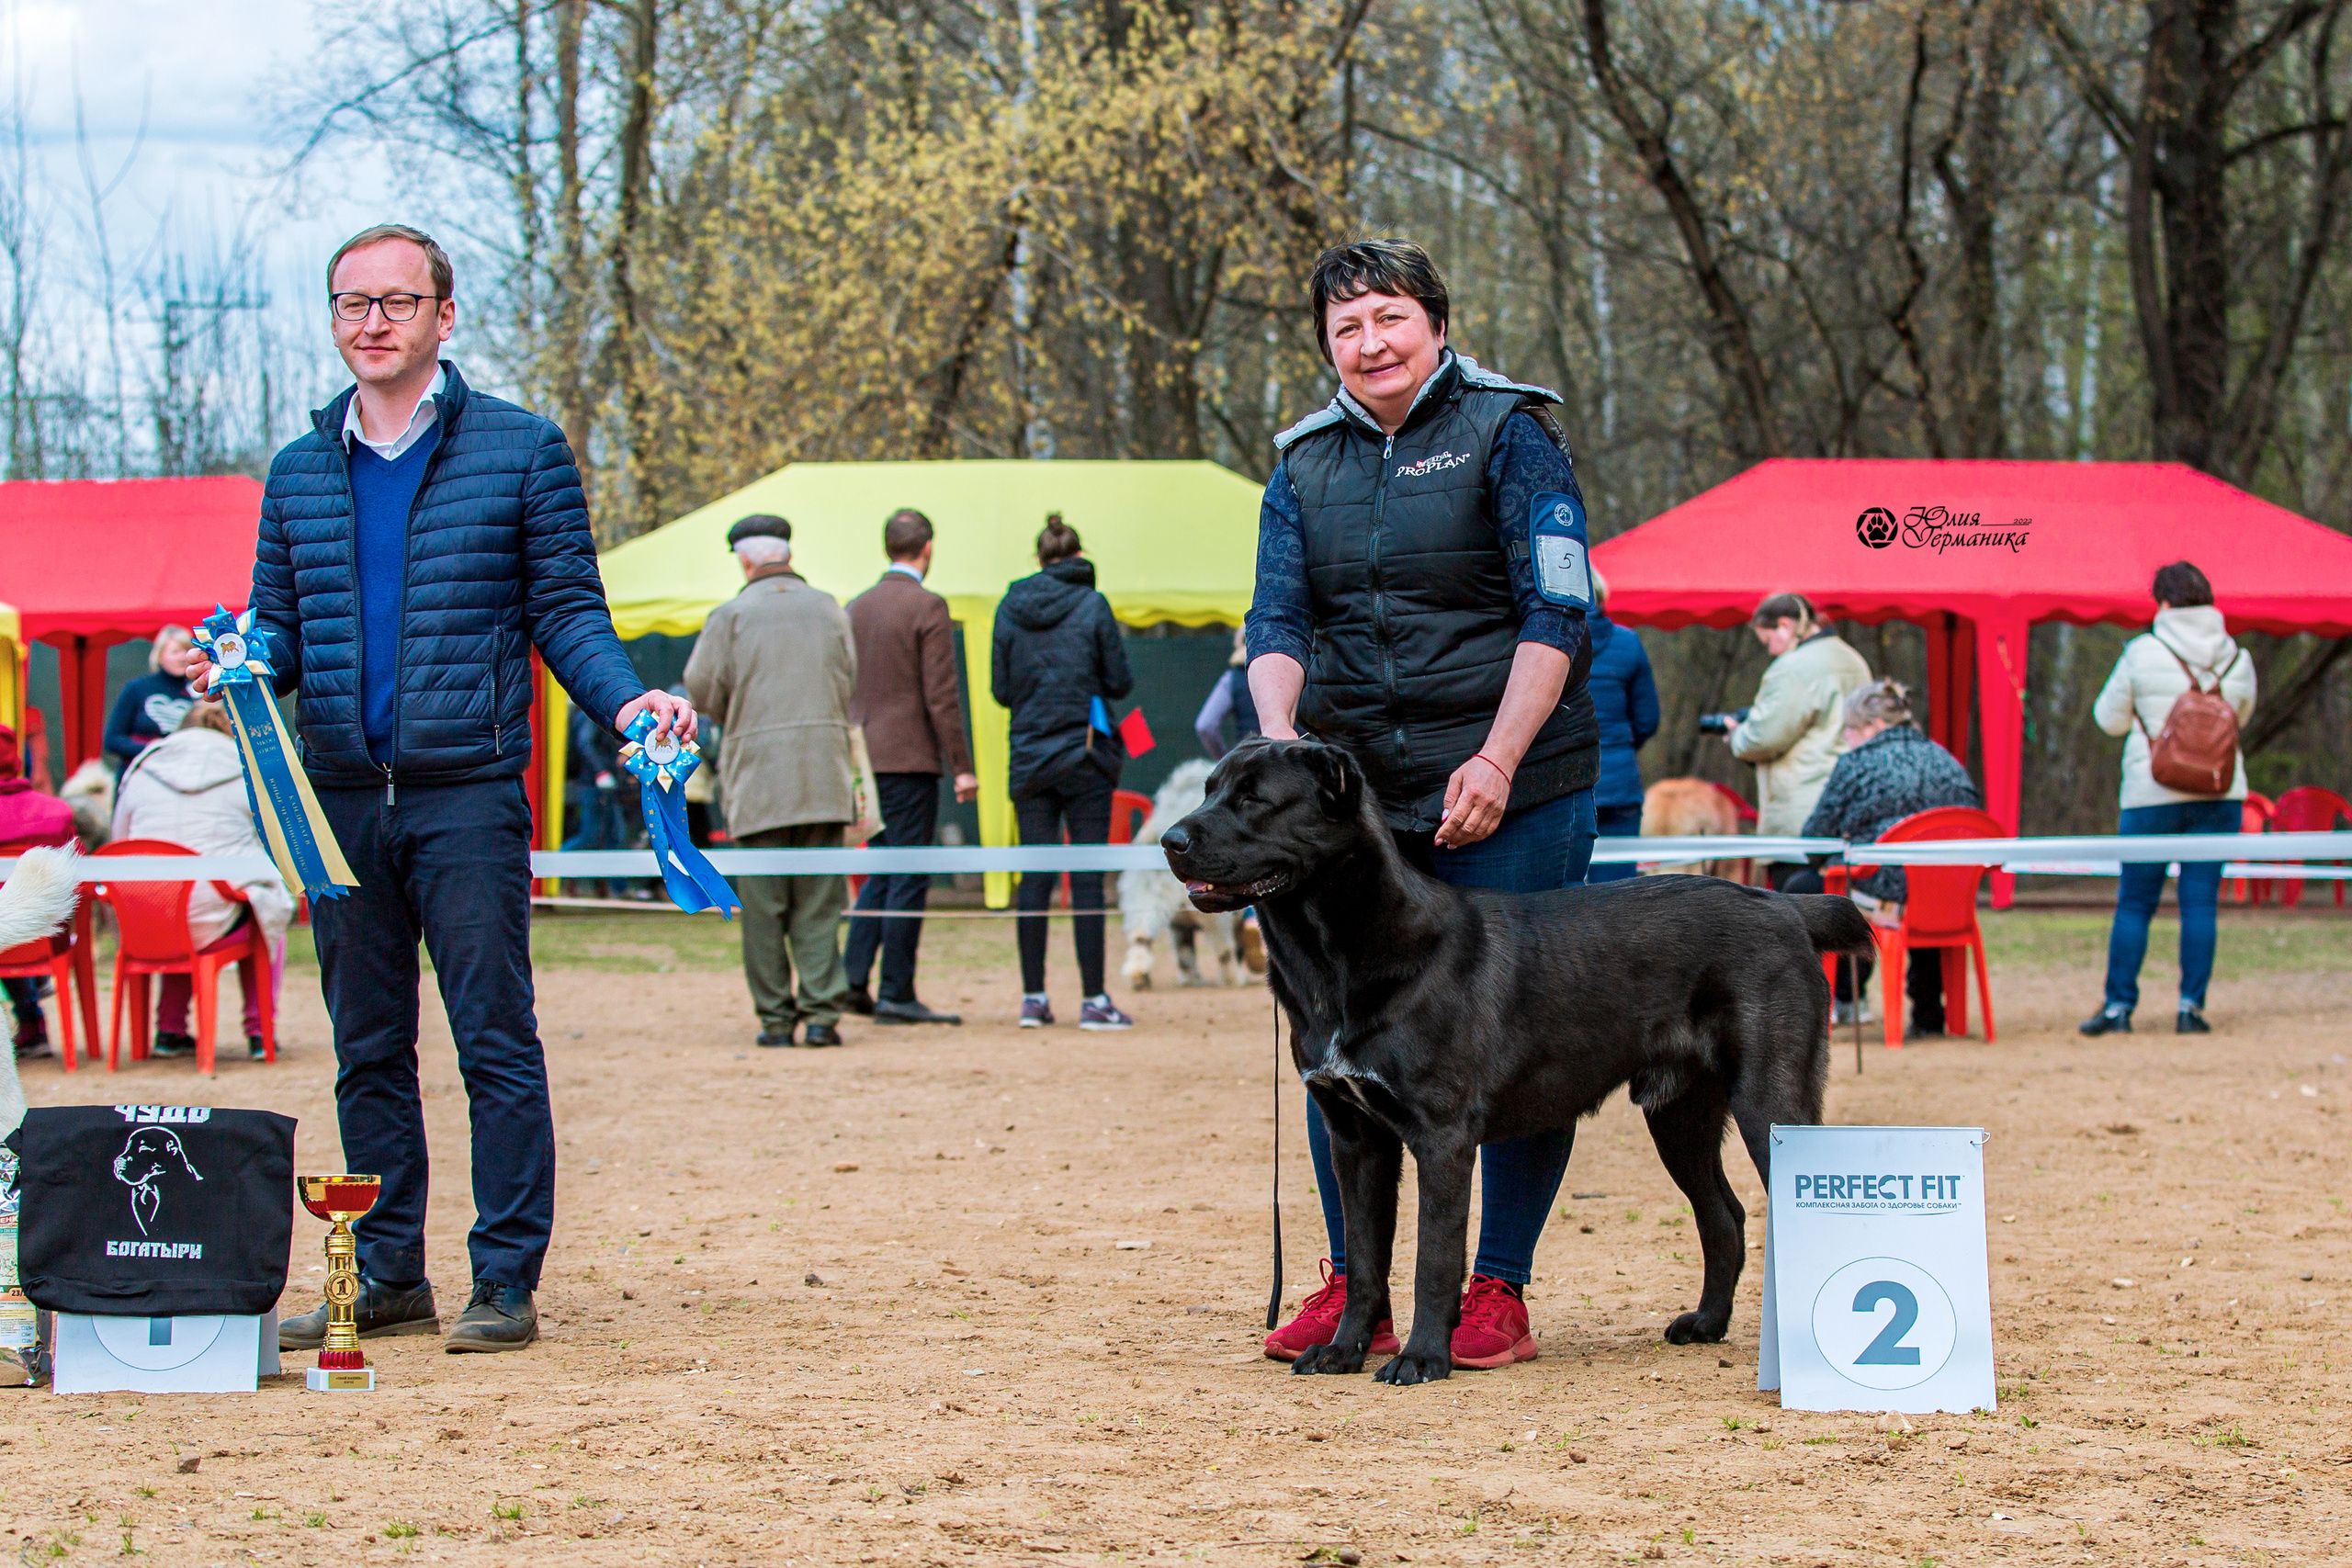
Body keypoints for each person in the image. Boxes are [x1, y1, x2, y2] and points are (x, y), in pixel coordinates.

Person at [188, 222, 692, 1357]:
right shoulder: (296, 470)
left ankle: (503, 1278)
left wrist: (625, 704)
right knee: (367, 1047)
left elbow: (566, 609)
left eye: (396, 303)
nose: (372, 323)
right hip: (336, 802)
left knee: (492, 1040)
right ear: (334, 320)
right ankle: (384, 1272)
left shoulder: (522, 450)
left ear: (443, 318)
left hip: (466, 795)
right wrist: (235, 661)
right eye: (351, 304)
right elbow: (277, 621)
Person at [1246, 239, 1600, 1371]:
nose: (1370, 344)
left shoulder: (1513, 434)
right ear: (1326, 350)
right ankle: (1359, 1282)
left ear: (1436, 325)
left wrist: (1496, 758)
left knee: (1516, 1040)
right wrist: (1280, 740)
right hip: (1360, 806)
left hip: (1517, 779)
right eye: (1345, 329)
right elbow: (1278, 624)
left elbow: (1558, 611)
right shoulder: (1301, 465)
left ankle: (1496, 1285)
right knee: (1334, 1039)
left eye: (1388, 319)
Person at [684, 514, 859, 1048]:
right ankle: (824, 1015)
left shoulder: (730, 615)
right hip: (825, 778)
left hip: (758, 783)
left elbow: (702, 690)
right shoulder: (831, 608)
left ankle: (777, 1020)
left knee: (763, 909)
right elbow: (848, 679)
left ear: (744, 559)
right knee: (820, 904)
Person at [2081, 560, 2257, 1037]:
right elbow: (2242, 715)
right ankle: (2190, 1008)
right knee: (2201, 905)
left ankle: (2119, 1008)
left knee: (2135, 903)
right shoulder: (2238, 657)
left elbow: (2109, 720)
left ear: (2162, 602)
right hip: (2221, 794)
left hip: (2150, 793)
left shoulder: (2142, 652)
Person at [991, 514, 1135, 1031]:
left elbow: (1001, 691)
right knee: (1087, 877)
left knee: (1035, 876)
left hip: (1030, 758)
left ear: (1039, 558)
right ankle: (1094, 1000)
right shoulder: (1092, 604)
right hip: (1085, 756)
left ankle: (1033, 998)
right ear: (1078, 556)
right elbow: (1119, 681)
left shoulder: (1009, 606)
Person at [842, 508, 978, 1025]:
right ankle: (896, 991)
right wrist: (961, 766)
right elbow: (940, 695)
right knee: (907, 871)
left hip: (863, 757)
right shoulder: (928, 606)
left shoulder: (855, 607)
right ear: (927, 549)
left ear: (887, 548)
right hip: (910, 760)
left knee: (880, 865)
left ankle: (851, 979)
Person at [1791, 680, 1980, 1037]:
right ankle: (1928, 1013)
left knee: (1804, 887)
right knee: (1922, 876)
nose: (1846, 738)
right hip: (1948, 897)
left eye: (1849, 728)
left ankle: (1832, 1000)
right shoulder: (1946, 759)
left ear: (1873, 726)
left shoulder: (1857, 764)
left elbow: (1815, 840)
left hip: (1879, 899)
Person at [109, 701, 294, 1061]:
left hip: (146, 916)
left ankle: (170, 1029)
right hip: (215, 905)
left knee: (179, 901)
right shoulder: (248, 768)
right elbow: (271, 841)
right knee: (264, 907)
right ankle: (260, 1031)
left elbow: (121, 839)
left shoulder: (142, 767)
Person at [1727, 592, 1871, 891]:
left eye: (1767, 640)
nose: (1770, 652)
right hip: (1848, 810)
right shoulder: (1854, 660)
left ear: (1785, 625)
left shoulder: (1792, 668)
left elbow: (1762, 738)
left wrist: (1736, 735)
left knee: (1796, 920)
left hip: (1800, 817)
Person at [0, 722, 75, 1060]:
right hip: (44, 937)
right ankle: (33, 1007)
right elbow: (77, 873)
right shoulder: (57, 812)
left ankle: (29, 1017)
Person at [1582, 567, 1658, 884]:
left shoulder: (1539, 645)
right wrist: (1620, 749)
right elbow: (1647, 720)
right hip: (1619, 786)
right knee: (1619, 895)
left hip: (1561, 786)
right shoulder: (1629, 643)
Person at [103, 626, 198, 767]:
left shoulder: (199, 691)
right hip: (142, 773)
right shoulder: (137, 688)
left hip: (185, 771)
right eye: (175, 652)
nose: (181, 657)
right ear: (159, 655)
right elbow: (113, 740)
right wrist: (151, 749)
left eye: (186, 651)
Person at [1193, 626, 1261, 761]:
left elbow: (1205, 725)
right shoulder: (1296, 669)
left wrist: (1225, 760)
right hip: (1292, 761)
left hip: (1251, 764)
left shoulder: (1232, 679)